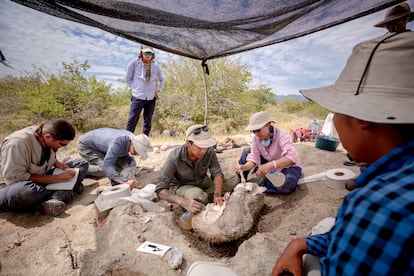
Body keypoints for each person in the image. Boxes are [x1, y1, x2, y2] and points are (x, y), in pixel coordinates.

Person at [272, 32, 414, 275]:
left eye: (336, 110)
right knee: (327, 228)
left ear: (362, 119)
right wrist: (300, 243)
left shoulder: (376, 206)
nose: (335, 119)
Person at [0, 119, 89, 217]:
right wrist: (57, 179)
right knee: (28, 191)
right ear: (48, 137)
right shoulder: (16, 143)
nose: (62, 148)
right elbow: (16, 178)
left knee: (81, 164)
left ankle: (54, 198)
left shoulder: (45, 136)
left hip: (42, 179)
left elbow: (44, 155)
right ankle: (62, 194)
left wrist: (56, 163)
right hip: (14, 186)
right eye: (62, 144)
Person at [155, 124, 237, 214]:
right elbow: (160, 190)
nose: (203, 151)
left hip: (202, 181)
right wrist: (183, 202)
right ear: (188, 143)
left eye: (205, 147)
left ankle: (203, 198)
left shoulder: (209, 151)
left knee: (233, 179)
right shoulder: (175, 156)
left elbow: (217, 173)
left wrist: (217, 194)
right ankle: (197, 199)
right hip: (182, 186)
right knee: (198, 196)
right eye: (199, 147)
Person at [236, 111, 302, 194]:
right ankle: (242, 182)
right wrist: (244, 167)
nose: (256, 134)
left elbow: (291, 158)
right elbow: (254, 158)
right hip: (271, 165)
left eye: (258, 130)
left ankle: (263, 183)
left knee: (287, 185)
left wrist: (269, 165)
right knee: (246, 151)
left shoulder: (282, 135)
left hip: (287, 166)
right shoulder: (256, 138)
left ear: (268, 124)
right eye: (253, 131)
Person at [77, 128, 153, 188]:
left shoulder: (129, 138)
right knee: (103, 170)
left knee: (126, 164)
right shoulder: (118, 142)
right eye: (137, 151)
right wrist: (125, 181)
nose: (137, 154)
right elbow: (106, 167)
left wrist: (131, 165)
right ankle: (79, 167)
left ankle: (93, 162)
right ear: (133, 143)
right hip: (86, 146)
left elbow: (125, 155)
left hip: (103, 147)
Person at [125, 45, 165, 136]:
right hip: (137, 97)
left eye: (150, 53)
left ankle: (144, 141)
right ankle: (126, 140)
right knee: (132, 120)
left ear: (153, 54)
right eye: (146, 53)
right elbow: (128, 79)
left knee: (148, 122)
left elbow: (162, 80)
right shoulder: (134, 63)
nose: (148, 55)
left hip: (151, 98)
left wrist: (158, 89)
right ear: (141, 53)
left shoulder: (156, 66)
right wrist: (136, 87)